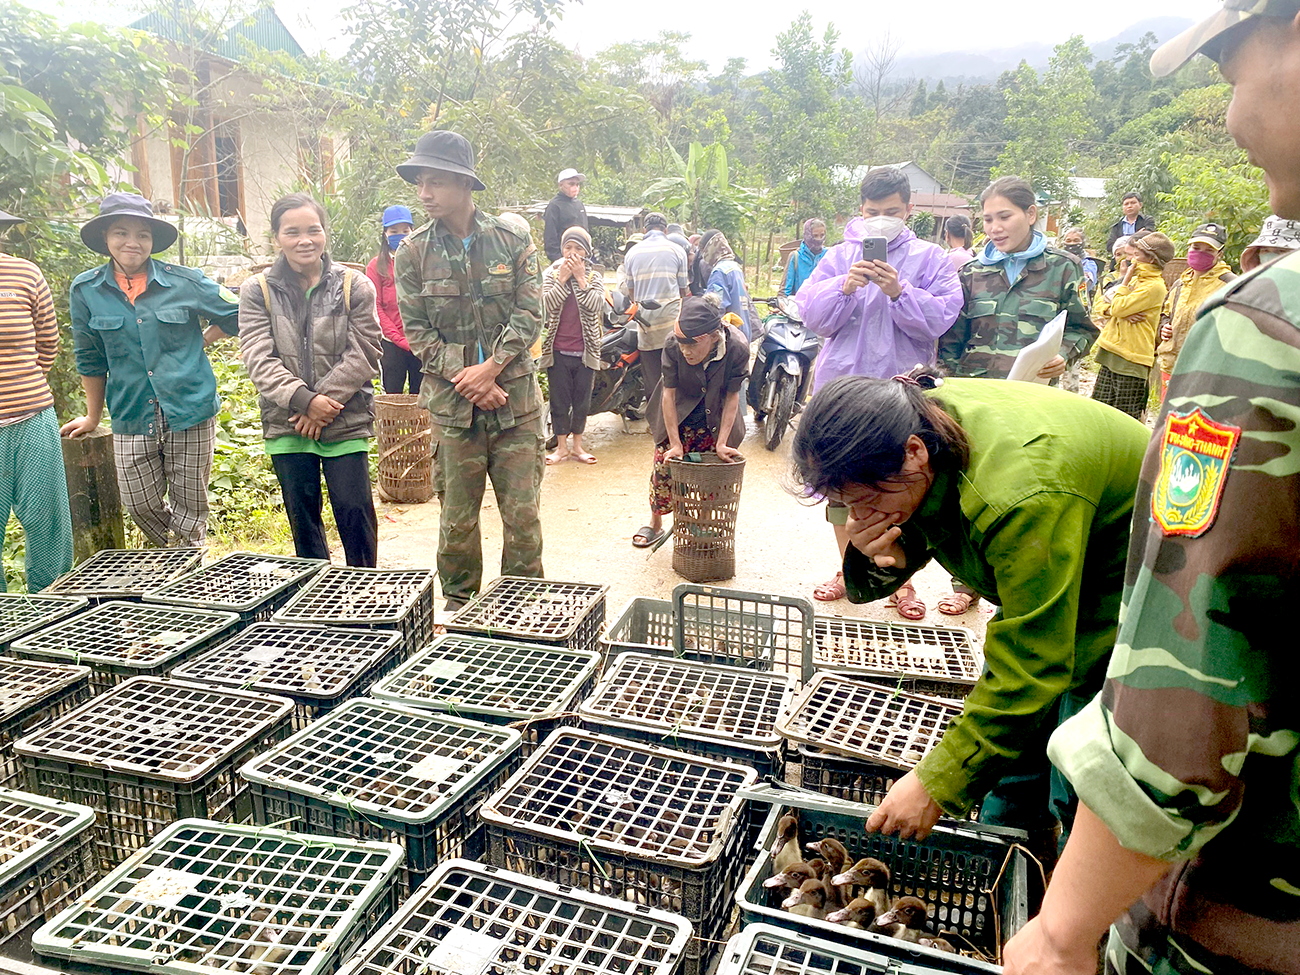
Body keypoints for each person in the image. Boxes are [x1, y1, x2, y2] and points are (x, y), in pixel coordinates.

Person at [1004, 4, 1300, 971]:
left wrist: (1062, 925)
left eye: (1234, 67)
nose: (1230, 107)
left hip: (1252, 911)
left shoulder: (1266, 328)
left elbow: (1190, 682)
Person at [791, 370, 1149, 860]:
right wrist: (879, 555)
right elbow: (932, 514)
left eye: (867, 501)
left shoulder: (1017, 495)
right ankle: (1017, 864)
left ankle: (1066, 903)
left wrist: (934, 784)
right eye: (845, 505)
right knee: (1011, 761)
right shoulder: (912, 428)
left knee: (1079, 764)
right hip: (1056, 554)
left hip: (1128, 577)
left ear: (915, 452)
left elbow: (1033, 664)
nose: (860, 516)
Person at [797, 166, 964, 612]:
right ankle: (845, 564)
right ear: (861, 211)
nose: (882, 219)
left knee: (902, 480)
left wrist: (899, 291)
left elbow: (941, 318)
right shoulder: (836, 258)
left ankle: (901, 580)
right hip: (844, 391)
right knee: (839, 483)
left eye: (892, 211)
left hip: (903, 394)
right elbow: (813, 316)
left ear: (910, 209)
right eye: (874, 212)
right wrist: (843, 288)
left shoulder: (932, 260)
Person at [393, 130, 544, 610]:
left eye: (435, 181)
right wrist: (472, 378)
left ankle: (523, 616)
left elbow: (530, 312)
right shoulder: (412, 253)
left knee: (522, 518)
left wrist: (494, 368)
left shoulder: (512, 238)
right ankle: (460, 614)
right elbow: (416, 333)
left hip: (515, 406)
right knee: (456, 520)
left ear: (463, 183)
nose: (424, 193)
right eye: (420, 182)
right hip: (454, 412)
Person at [936, 176, 1096, 616]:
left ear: (1031, 215)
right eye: (987, 218)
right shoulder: (971, 273)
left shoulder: (1063, 268)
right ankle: (966, 583)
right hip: (978, 397)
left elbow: (1084, 328)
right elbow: (952, 340)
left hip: (1035, 399)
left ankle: (1020, 582)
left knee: (1028, 486)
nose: (995, 226)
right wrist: (946, 389)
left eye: (1004, 216)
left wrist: (1065, 355)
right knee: (971, 484)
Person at [62, 192, 239, 547]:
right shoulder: (86, 290)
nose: (132, 242)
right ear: (105, 239)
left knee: (191, 508)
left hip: (190, 408)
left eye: (143, 234)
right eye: (121, 232)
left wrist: (200, 341)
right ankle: (179, 555)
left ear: (153, 240)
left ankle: (186, 579)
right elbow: (90, 357)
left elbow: (236, 313)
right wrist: (93, 417)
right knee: (138, 503)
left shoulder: (184, 281)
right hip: (131, 413)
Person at [239, 193, 381, 567]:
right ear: (276, 238)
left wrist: (321, 404)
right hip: (288, 423)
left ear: (325, 234)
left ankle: (366, 596)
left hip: (344, 419)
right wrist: (303, 400)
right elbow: (257, 354)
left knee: (355, 512)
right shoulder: (259, 290)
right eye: (292, 232)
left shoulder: (354, 285)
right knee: (304, 523)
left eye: (313, 230)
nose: (305, 240)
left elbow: (365, 350)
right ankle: (317, 606)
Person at [634, 294, 747, 548]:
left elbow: (732, 398)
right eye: (682, 344)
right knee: (664, 469)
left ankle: (702, 523)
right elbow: (668, 394)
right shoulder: (673, 345)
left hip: (715, 418)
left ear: (712, 336)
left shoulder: (737, 347)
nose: (686, 350)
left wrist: (722, 442)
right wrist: (674, 443)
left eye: (692, 345)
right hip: (678, 414)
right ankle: (655, 523)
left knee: (711, 474)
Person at [0, 208, 73, 591]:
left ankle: (50, 616)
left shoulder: (25, 274)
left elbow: (48, 344)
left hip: (33, 417)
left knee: (48, 524)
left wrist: (19, 385)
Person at [539, 226, 606, 465]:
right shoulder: (552, 274)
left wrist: (579, 279)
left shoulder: (593, 277)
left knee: (581, 400)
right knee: (559, 400)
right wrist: (562, 281)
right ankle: (561, 447)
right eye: (568, 247)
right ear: (561, 249)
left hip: (585, 350)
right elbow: (546, 304)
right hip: (557, 350)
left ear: (586, 253)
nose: (572, 253)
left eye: (578, 248)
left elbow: (597, 305)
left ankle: (578, 446)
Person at [1091, 230, 1173, 420]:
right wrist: (1118, 311)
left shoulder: (1153, 286)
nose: (1131, 259)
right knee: (1098, 412)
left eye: (1137, 254)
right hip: (1110, 350)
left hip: (1132, 358)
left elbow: (1117, 306)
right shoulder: (1137, 279)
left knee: (1125, 418)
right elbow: (1101, 304)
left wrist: (1124, 285)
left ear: (1151, 259)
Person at [1155, 222, 1237, 398]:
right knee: (1169, 419)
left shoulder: (1230, 285)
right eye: (1196, 247)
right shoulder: (1180, 283)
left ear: (1220, 254)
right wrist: (1164, 327)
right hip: (1171, 365)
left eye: (1209, 250)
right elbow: (1167, 313)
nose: (1200, 253)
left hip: (1206, 371)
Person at [622, 212, 689, 398]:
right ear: (666, 230)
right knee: (674, 375)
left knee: (652, 378)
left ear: (644, 230)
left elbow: (631, 292)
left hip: (645, 324)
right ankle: (675, 420)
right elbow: (684, 290)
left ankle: (655, 421)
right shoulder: (677, 250)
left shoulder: (632, 253)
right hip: (671, 322)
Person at [366, 205, 421, 395]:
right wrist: (399, 340)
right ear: (385, 234)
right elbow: (376, 308)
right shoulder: (376, 266)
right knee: (392, 395)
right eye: (394, 231)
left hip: (421, 340)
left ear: (413, 231)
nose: (400, 235)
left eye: (405, 231)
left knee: (421, 396)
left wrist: (417, 338)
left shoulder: (421, 261)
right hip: (390, 342)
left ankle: (421, 427)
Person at [694, 230, 754, 338]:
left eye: (703, 250)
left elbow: (716, 307)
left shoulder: (719, 272)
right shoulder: (735, 267)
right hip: (743, 331)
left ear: (710, 249)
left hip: (730, 335)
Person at [543, 168, 588, 263]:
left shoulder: (579, 204)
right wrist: (558, 260)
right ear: (561, 185)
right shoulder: (554, 206)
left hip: (581, 259)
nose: (575, 187)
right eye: (571, 184)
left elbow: (585, 232)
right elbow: (550, 237)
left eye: (577, 184)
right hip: (562, 260)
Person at [779, 219, 828, 297]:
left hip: (823, 305)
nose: (819, 239)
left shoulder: (828, 255)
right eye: (815, 236)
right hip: (800, 306)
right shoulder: (795, 257)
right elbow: (785, 289)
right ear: (808, 235)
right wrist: (781, 303)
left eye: (822, 235)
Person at [1104, 191, 1157, 257]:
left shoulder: (1147, 220)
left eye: (1133, 203)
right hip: (1121, 259)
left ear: (1140, 205)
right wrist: (1135, 236)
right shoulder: (1117, 226)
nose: (1129, 206)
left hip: (1142, 258)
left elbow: (1148, 238)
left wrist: (1121, 242)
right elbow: (1109, 246)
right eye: (1126, 204)